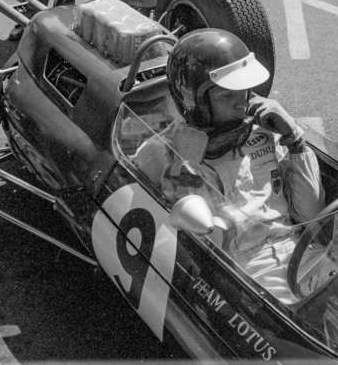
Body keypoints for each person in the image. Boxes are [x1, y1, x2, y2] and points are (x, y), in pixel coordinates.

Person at [134, 28, 325, 304]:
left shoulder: (266, 131)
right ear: (194, 101)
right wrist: (187, 162)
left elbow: (312, 216)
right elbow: (200, 243)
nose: (242, 103)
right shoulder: (163, 152)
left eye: (244, 90)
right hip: (250, 277)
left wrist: (295, 140)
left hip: (305, 252)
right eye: (227, 96)